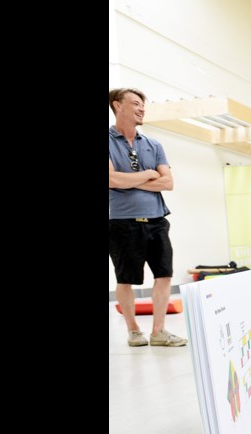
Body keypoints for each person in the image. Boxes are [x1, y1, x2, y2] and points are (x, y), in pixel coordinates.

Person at [108, 87, 188, 348]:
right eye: (135, 104)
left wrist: (128, 181)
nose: (142, 108)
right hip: (122, 222)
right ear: (117, 106)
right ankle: (133, 331)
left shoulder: (153, 144)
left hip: (156, 220)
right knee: (125, 279)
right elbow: (111, 179)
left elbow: (168, 183)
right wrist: (148, 174)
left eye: (143, 104)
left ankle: (158, 332)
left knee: (164, 275)